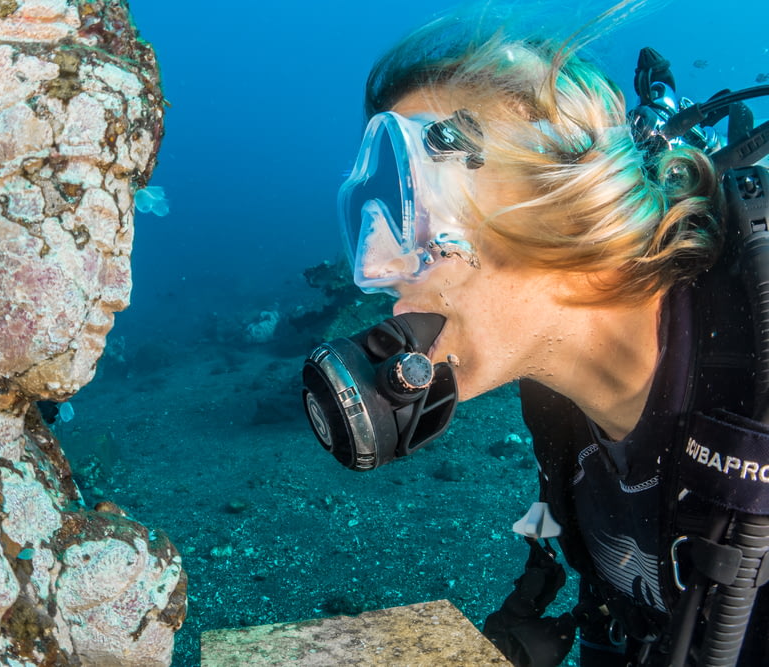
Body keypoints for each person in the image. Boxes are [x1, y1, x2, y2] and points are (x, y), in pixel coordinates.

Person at [328, 2, 769, 665]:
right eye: (372, 212)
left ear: (570, 201)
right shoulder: (557, 412)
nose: (373, 267)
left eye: (416, 199)